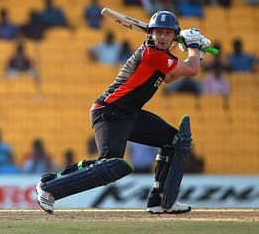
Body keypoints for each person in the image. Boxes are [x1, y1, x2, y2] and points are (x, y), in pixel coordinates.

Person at [35, 11, 211, 215]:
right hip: (109, 112)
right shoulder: (151, 54)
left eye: (167, 33)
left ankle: (161, 201)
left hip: (130, 114)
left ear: (174, 36)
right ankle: (49, 189)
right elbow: (193, 70)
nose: (163, 37)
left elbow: (171, 77)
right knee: (112, 166)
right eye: (159, 32)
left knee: (175, 141)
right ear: (151, 34)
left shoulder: (161, 57)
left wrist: (197, 54)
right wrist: (194, 47)